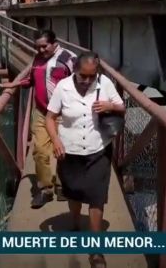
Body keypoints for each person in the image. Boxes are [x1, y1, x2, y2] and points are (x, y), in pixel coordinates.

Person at [45, 52, 124, 268]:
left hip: (98, 148)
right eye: (83, 76)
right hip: (69, 149)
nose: (88, 81)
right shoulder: (63, 87)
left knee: (97, 196)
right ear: (74, 71)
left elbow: (121, 106)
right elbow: (50, 117)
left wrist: (110, 106)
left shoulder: (104, 83)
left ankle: (96, 249)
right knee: (73, 190)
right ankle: (74, 223)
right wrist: (55, 140)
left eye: (92, 76)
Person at [0, 30, 77, 208]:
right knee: (40, 150)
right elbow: (32, 80)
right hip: (42, 111)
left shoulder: (69, 58)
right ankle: (46, 189)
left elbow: (83, 82)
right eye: (37, 47)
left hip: (64, 113)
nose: (40, 50)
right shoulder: (38, 59)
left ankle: (62, 186)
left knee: (63, 151)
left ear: (54, 43)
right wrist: (15, 83)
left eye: (44, 46)